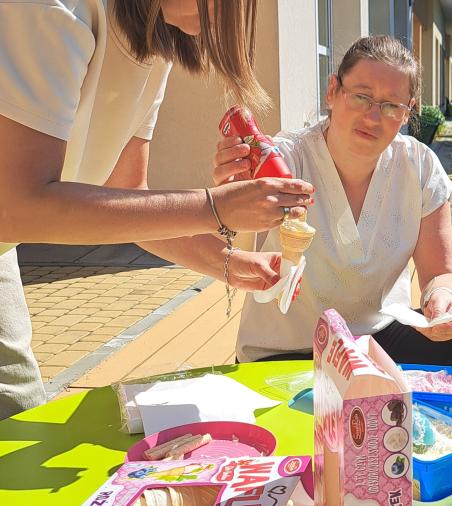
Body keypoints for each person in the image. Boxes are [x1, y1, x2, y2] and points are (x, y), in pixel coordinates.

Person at [0, 0, 314, 420]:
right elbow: (17, 207)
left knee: (17, 409)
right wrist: (215, 207)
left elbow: (128, 191)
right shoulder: (54, 8)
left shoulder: (153, 45)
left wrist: (228, 261)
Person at [214, 36, 452, 368]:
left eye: (391, 106)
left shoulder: (418, 165)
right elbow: (234, 240)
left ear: (407, 112)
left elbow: (441, 273)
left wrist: (443, 298)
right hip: (290, 347)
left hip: (375, 336)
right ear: (333, 91)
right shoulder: (288, 159)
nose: (373, 117)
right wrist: (230, 195)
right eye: (361, 97)